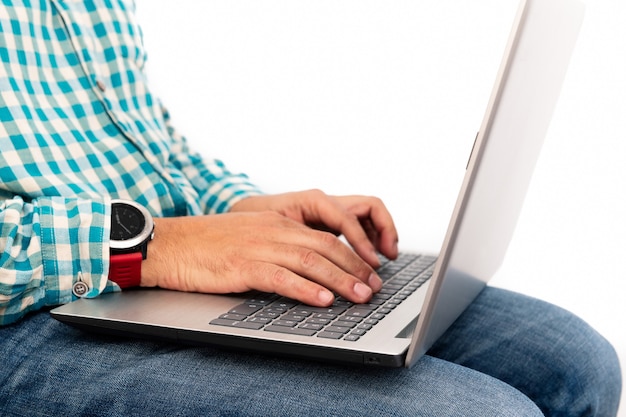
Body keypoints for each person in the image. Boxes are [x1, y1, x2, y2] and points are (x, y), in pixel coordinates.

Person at [0, 1, 621, 416]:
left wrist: (241, 211)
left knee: (576, 363)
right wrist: (160, 247)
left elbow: (140, 137)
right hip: (29, 310)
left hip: (147, 262)